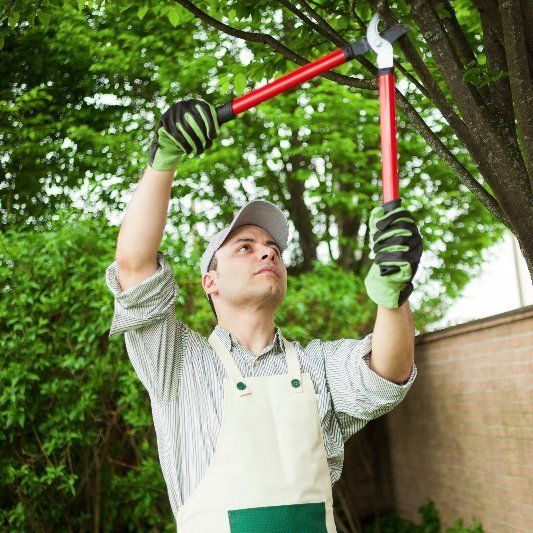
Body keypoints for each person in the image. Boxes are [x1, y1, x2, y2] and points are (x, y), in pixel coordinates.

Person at [105, 99, 423, 532]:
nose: (268, 251)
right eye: (245, 247)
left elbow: (389, 371)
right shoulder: (177, 364)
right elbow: (134, 266)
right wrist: (164, 159)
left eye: (273, 248)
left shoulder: (318, 367)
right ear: (210, 282)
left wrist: (394, 294)